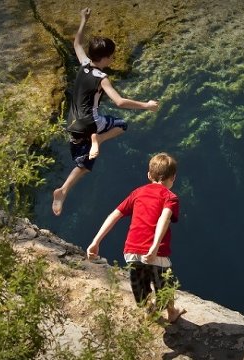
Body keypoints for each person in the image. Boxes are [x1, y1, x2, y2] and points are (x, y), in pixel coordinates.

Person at [52, 7, 159, 216]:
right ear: (105, 57)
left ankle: (63, 190)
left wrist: (83, 19)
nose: (112, 60)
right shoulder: (102, 78)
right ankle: (98, 140)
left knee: (83, 162)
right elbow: (119, 102)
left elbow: (77, 43)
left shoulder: (84, 64)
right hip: (91, 123)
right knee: (121, 125)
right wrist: (146, 105)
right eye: (111, 57)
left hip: (72, 124)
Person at [86, 152, 186, 323]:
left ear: (149, 175)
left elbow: (114, 215)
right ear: (173, 178)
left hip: (131, 250)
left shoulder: (137, 193)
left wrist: (95, 242)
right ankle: (171, 312)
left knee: (141, 288)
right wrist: (154, 247)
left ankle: (150, 310)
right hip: (156, 253)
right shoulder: (171, 197)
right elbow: (164, 218)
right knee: (165, 284)